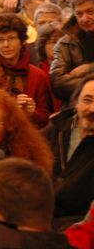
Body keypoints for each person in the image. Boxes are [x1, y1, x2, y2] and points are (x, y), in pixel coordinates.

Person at [0, 12, 53, 127]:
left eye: (11, 38)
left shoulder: (37, 75)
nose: (6, 44)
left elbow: (44, 119)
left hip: (26, 137)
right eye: (0, 40)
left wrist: (31, 113)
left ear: (22, 41)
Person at [42, 74, 94, 226]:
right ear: (76, 103)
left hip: (78, 228)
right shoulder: (55, 130)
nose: (92, 109)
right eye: (87, 100)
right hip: (37, 218)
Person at [50, 0, 94, 101]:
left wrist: (89, 68)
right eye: (79, 14)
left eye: (90, 12)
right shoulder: (64, 44)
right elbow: (58, 83)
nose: (84, 19)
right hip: (76, 110)